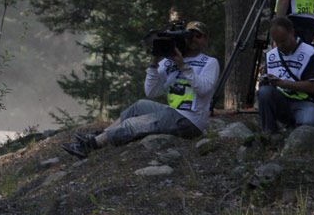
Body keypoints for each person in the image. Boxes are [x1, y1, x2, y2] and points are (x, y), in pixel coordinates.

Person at [62, 21, 220, 159]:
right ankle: (103, 133)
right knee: (139, 105)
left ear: (205, 39)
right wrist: (154, 64)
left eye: (198, 35)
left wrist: (183, 66)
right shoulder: (169, 61)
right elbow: (151, 92)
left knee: (133, 124)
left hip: (190, 120)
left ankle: (90, 146)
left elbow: (204, 89)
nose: (193, 39)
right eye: (190, 34)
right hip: (173, 113)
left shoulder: (209, 62)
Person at [257, 16, 314, 134]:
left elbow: (312, 86)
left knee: (309, 126)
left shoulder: (310, 54)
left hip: (304, 102)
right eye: (277, 42)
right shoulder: (271, 55)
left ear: (292, 32)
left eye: (284, 41)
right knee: (264, 92)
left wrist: (283, 83)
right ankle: (269, 133)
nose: (281, 46)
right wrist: (265, 80)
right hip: (281, 101)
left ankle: (295, 126)